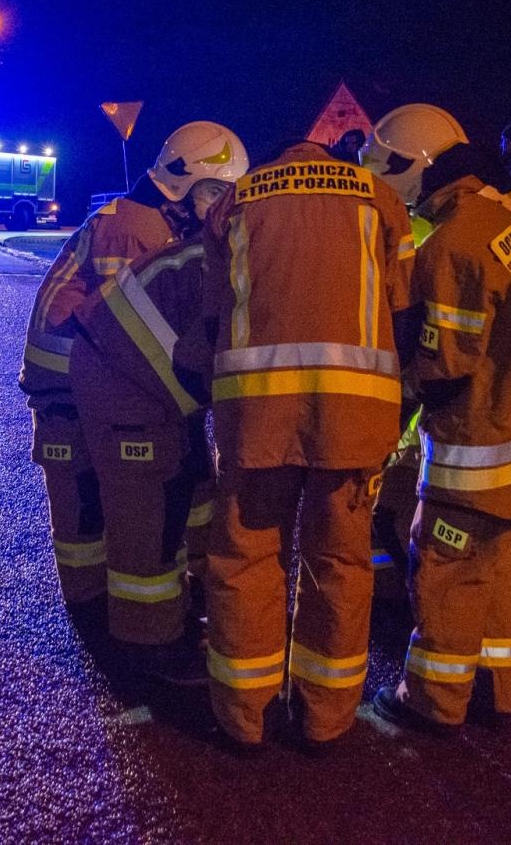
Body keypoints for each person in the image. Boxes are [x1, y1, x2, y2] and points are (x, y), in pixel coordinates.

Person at [199, 117, 416, 750]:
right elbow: (403, 311)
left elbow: (215, 312)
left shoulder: (240, 199)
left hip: (254, 410)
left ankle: (245, 714)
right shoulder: (380, 198)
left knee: (244, 557)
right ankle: (326, 718)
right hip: (353, 411)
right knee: (341, 561)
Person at [365, 106, 511, 735]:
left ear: (412, 169)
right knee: (504, 575)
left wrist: (394, 385)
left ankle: (432, 702)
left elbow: (445, 363)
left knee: (446, 573)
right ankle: (495, 691)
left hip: (479, 456)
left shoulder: (453, 242)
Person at [22, 123, 248, 620]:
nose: (220, 206)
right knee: (136, 500)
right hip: (80, 383)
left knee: (91, 504)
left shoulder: (143, 219)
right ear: (179, 183)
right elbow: (131, 336)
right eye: (215, 192)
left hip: (70, 381)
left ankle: (98, 610)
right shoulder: (138, 229)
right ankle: (137, 627)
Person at [67, 180, 236, 683]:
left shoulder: (216, 251)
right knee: (150, 515)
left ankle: (157, 624)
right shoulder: (228, 262)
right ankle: (149, 646)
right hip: (125, 382)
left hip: (132, 375)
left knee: (173, 492)